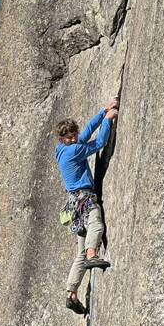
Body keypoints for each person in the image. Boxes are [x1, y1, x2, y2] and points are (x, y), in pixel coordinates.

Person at [55, 97, 119, 314]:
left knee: (79, 253)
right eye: (70, 136)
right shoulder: (73, 150)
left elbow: (86, 133)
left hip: (74, 204)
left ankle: (71, 293)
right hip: (85, 199)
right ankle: (94, 255)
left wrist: (103, 111)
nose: (74, 138)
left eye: (74, 135)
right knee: (97, 226)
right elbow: (98, 143)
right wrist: (108, 121)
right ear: (64, 138)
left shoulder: (63, 149)